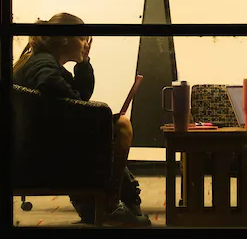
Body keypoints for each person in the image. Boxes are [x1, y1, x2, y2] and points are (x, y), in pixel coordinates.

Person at [12, 12, 149, 227]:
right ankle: (109, 203)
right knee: (122, 126)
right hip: (39, 153)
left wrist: (84, 63)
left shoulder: (41, 61)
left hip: (39, 145)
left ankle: (108, 203)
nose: (86, 44)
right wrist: (89, 113)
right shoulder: (43, 65)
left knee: (110, 127)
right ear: (66, 38)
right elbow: (61, 94)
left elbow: (78, 98)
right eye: (83, 39)